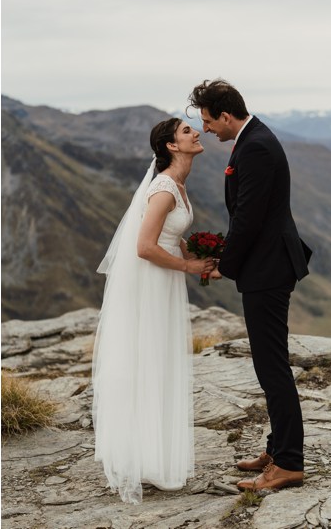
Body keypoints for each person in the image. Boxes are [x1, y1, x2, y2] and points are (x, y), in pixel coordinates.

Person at [192, 79, 312, 492]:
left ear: (226, 115)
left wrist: (227, 263)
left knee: (272, 367)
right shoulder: (253, 139)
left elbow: (249, 216)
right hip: (267, 265)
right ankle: (278, 449)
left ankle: (289, 464)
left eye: (208, 121)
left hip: (268, 268)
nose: (206, 128)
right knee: (269, 364)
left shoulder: (256, 146)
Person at [91, 118, 213, 504]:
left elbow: (169, 239)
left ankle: (151, 458)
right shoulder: (163, 189)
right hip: (153, 282)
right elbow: (144, 247)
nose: (196, 133)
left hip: (164, 280)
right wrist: (189, 267)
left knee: (157, 362)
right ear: (171, 146)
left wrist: (205, 258)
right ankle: (142, 459)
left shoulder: (177, 184)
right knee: (149, 360)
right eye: (186, 132)